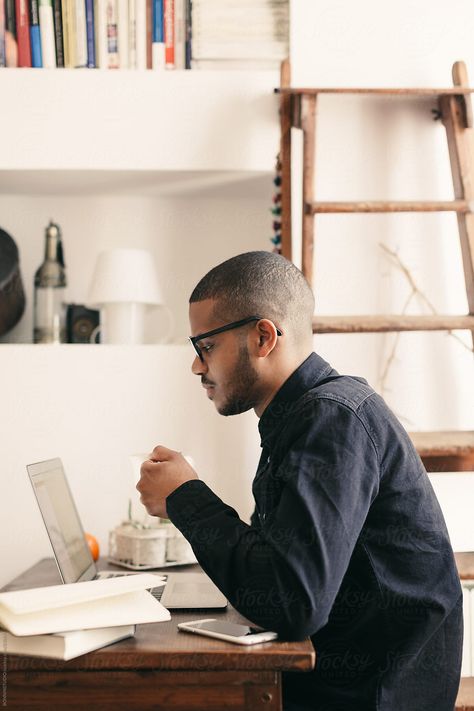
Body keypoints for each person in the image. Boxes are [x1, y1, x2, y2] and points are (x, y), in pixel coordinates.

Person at [137, 250, 462, 711]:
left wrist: (185, 498)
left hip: (371, 694)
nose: (196, 367)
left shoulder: (331, 420)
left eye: (205, 347)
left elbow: (294, 604)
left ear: (264, 337)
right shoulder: (302, 419)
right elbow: (278, 575)